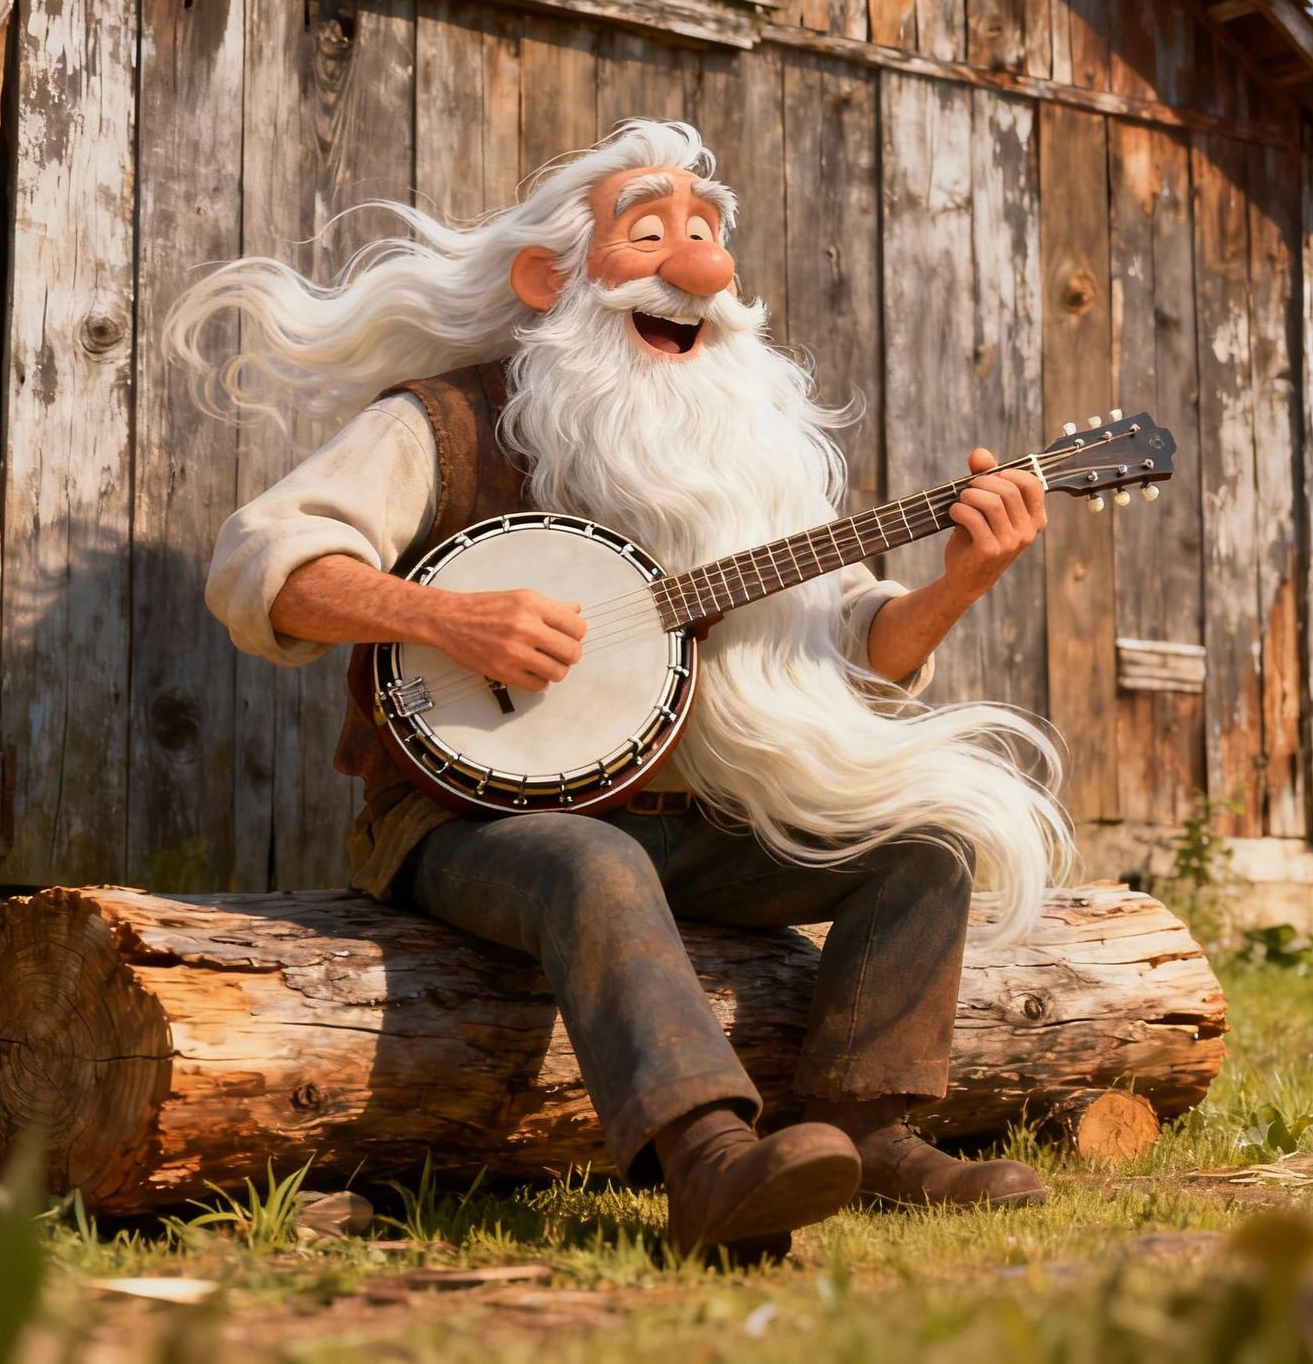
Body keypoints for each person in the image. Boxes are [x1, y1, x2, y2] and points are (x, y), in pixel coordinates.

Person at [174, 120, 1072, 1260]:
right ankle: (707, 1163)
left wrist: (963, 578)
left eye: (704, 234)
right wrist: (446, 616)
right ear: (549, 278)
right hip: (464, 823)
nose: (694, 265)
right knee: (588, 859)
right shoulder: (442, 423)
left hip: (690, 828)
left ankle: (866, 1127)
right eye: (647, 233)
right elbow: (264, 563)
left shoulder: (751, 463)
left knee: (927, 842)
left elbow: (857, 651)